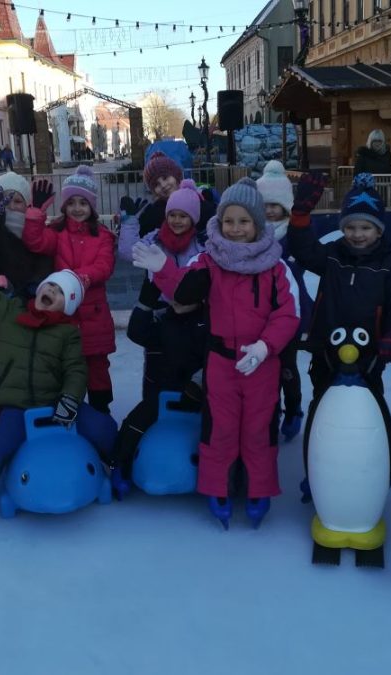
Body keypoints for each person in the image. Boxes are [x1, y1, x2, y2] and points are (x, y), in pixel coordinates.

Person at [134, 177, 300, 529]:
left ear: (258, 223)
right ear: (219, 222)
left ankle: (259, 489)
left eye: (243, 221)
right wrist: (161, 269)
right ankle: (217, 487)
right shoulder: (210, 260)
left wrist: (265, 346)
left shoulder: (274, 266)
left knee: (258, 429)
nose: (236, 229)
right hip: (221, 363)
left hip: (261, 365)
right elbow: (185, 288)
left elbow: (288, 313)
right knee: (220, 429)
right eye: (229, 221)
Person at [0, 233, 92, 528]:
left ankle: (115, 466)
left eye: (59, 291)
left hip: (55, 404)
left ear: (68, 307)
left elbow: (76, 370)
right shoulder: (11, 312)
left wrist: (70, 400)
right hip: (17, 406)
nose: (50, 290)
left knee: (100, 426)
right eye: (49, 285)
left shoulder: (68, 333)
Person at [286, 172, 391, 498]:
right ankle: (315, 470)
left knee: (370, 407)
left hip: (370, 355)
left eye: (366, 227)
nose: (358, 234)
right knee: (322, 407)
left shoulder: (389, 263)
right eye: (351, 227)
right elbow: (302, 250)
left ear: (379, 229)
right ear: (343, 227)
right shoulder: (332, 256)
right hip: (326, 350)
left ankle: (373, 466)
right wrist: (300, 215)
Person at [111, 179, 208, 497]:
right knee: (153, 401)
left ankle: (207, 469)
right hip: (160, 319)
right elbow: (127, 251)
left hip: (192, 315)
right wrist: (129, 224)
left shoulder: (201, 247)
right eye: (173, 214)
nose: (178, 221)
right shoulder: (155, 240)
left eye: (184, 215)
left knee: (195, 400)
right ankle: (124, 461)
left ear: (194, 219)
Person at [21, 166, 117, 413]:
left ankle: (101, 413)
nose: (77, 208)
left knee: (97, 368)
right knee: (67, 367)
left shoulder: (103, 236)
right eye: (71, 202)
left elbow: (104, 266)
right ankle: (69, 411)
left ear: (92, 207)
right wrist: (35, 213)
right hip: (64, 316)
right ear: (64, 206)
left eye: (83, 203)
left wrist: (80, 279)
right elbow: (35, 241)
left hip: (94, 315)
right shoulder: (56, 233)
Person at [256, 160, 313, 442]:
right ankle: (271, 412)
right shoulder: (253, 234)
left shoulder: (294, 233)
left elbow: (306, 259)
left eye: (274, 205)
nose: (269, 210)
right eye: (264, 204)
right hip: (260, 313)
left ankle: (293, 409)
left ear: (285, 207)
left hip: (289, 311)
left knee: (287, 369)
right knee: (266, 370)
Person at [0, 172, 54, 299]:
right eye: (5, 201)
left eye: (17, 201)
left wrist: (35, 217)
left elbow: (41, 247)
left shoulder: (42, 231)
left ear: (27, 204)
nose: (11, 207)